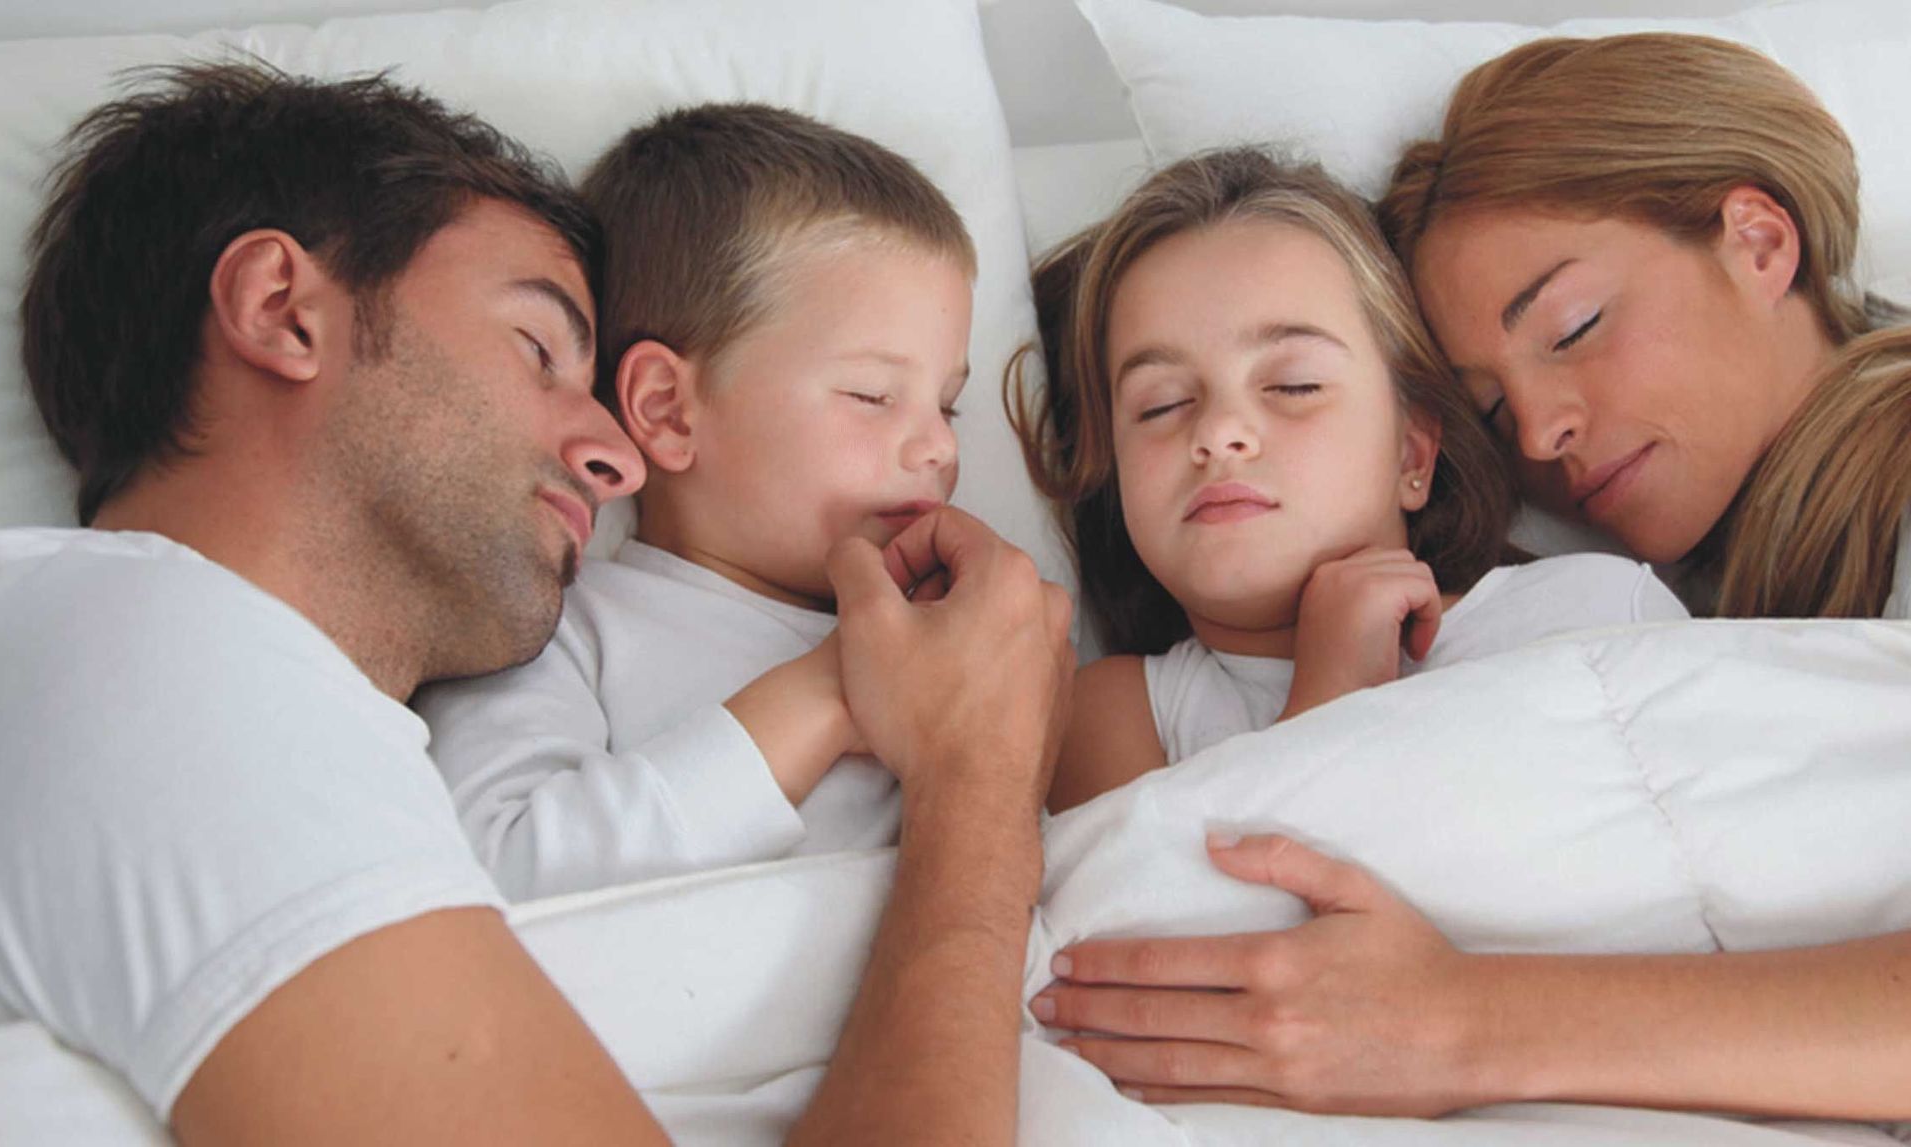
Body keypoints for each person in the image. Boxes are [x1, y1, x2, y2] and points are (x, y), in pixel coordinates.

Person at [0, 62, 1071, 1146]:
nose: (614, 454)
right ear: (282, 309)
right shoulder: (156, 655)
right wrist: (973, 773)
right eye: (540, 349)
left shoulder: (294, 738)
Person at [1032, 34, 1911, 1120]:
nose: (1540, 433)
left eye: (1574, 325)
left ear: (1761, 240)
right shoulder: (1733, 587)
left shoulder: (1602, 609)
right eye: (1492, 410)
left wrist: (1463, 1023)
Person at [1007, 147, 1684, 814]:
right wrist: (1331, 693)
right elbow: (1202, 917)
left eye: (1293, 384)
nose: (1217, 432)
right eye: (1160, 405)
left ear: (1412, 456)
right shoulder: (1117, 720)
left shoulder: (1592, 610)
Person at [417, 103, 976, 900]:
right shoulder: (555, 625)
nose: (940, 447)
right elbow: (501, 868)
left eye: (948, 405)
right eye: (873, 394)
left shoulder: (954, 628)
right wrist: (833, 691)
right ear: (669, 410)